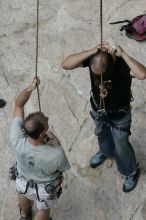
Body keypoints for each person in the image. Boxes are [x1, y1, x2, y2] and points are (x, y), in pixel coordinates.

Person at [62, 42, 146, 192]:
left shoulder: (122, 66)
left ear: (111, 67)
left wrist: (124, 54)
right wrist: (92, 50)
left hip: (119, 115)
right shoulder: (94, 59)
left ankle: (130, 171)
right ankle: (106, 152)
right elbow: (66, 64)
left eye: (103, 76)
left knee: (121, 145)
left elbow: (142, 74)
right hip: (98, 110)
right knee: (101, 133)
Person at [10, 77, 70, 220]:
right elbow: (60, 169)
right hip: (44, 189)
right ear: (43, 133)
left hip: (22, 181)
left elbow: (18, 105)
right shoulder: (56, 153)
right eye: (45, 120)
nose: (46, 117)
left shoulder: (17, 138)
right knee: (43, 211)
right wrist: (57, 144)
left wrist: (31, 87)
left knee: (23, 194)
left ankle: (24, 215)